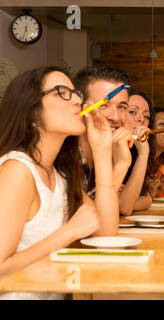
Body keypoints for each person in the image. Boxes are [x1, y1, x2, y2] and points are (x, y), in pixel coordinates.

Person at [0, 66, 119, 299]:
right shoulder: (17, 171)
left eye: (75, 93)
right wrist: (69, 232)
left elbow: (106, 233)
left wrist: (103, 151)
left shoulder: (58, 175)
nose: (77, 100)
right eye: (61, 92)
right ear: (32, 112)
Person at [73, 66, 133, 229]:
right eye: (104, 105)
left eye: (122, 107)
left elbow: (101, 221)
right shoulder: (64, 157)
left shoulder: (100, 154)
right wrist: (119, 166)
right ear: (80, 108)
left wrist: (122, 164)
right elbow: (97, 225)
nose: (115, 117)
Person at [119, 90, 152, 215]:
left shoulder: (133, 151)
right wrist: (144, 153)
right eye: (132, 112)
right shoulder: (103, 149)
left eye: (146, 116)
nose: (141, 120)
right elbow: (125, 207)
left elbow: (145, 197)